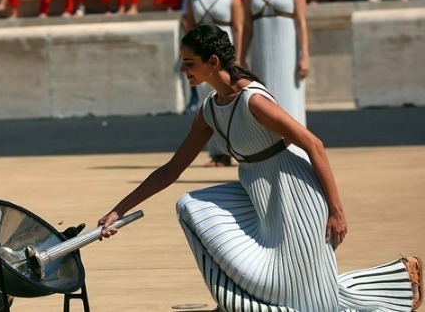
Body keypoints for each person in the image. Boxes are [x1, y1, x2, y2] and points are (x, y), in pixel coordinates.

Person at [98, 24, 422, 312]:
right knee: (190, 207)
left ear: (212, 62)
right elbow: (171, 170)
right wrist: (118, 210)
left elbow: (314, 145)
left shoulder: (253, 100)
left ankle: (396, 282)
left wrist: (336, 210)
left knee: (310, 302)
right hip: (259, 200)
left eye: (189, 63)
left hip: (298, 198)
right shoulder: (210, 109)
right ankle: (396, 279)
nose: (182, 69)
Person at [182, 0, 243, 167]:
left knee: (227, 98)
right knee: (206, 101)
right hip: (201, 56)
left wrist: (239, 55)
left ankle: (234, 149)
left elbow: (238, 27)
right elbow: (189, 28)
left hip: (223, 53)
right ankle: (216, 153)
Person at [242, 0, 309, 126]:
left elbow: (301, 23)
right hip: (261, 54)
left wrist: (304, 55)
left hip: (287, 54)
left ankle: (297, 151)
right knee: (263, 102)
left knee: (289, 100)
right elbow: (247, 26)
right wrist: (240, 57)